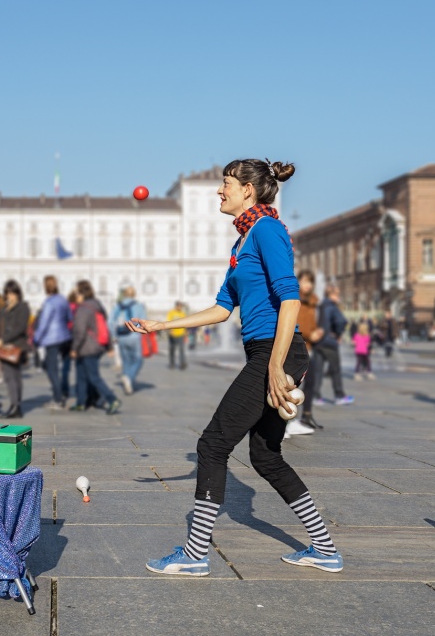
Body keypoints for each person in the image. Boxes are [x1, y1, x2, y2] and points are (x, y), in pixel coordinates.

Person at [128, 158, 342, 576]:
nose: (219, 191)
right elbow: (222, 309)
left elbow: (290, 299)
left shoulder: (268, 230)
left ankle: (194, 555)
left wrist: (276, 366)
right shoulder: (241, 244)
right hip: (267, 354)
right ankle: (325, 548)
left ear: (249, 189)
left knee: (211, 445)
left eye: (226, 183)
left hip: (275, 353)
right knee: (265, 458)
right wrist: (162, 323)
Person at [70, 280, 121, 415]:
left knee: (93, 377)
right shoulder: (97, 305)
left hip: (87, 347)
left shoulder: (83, 308)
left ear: (82, 293)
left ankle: (112, 399)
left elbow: (79, 331)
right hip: (96, 345)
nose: (75, 295)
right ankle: (81, 402)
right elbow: (105, 326)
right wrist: (109, 345)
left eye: (77, 293)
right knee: (81, 374)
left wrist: (74, 348)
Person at [33, 276, 72, 409]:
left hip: (51, 339)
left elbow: (43, 323)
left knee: (51, 369)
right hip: (65, 337)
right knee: (59, 368)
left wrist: (36, 338)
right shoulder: (63, 300)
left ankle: (58, 399)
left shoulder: (49, 302)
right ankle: (63, 392)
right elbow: (69, 317)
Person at [0, 280, 30, 419]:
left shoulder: (23, 307)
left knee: (13, 376)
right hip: (5, 347)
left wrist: (4, 340)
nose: (10, 296)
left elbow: (20, 328)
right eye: (8, 293)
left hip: (16, 347)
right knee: (11, 376)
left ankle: (15, 406)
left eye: (13, 293)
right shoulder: (4, 308)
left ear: (18, 293)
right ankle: (15, 405)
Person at [313, 284, 353, 406]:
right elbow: (341, 321)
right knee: (335, 370)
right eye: (337, 294)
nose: (338, 297)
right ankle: (339, 395)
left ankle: (315, 396)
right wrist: (339, 334)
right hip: (329, 342)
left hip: (318, 341)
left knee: (318, 370)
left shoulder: (320, 305)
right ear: (332, 294)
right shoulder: (332, 306)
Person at [294, 269, 323, 431]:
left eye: (310, 282)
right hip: (297, 348)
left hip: (310, 348)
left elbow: (313, 322)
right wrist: (311, 334)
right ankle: (287, 420)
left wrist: (318, 331)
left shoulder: (313, 301)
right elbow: (296, 323)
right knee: (294, 385)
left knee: (311, 382)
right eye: (304, 281)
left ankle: (307, 415)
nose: (307, 285)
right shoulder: (295, 300)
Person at [111, 286, 146, 395]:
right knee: (138, 360)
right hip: (134, 336)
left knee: (126, 361)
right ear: (134, 294)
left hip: (121, 336)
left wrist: (114, 335)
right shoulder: (139, 306)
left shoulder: (118, 306)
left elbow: (110, 321)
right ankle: (128, 378)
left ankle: (128, 386)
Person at [166, 301, 188, 370]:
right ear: (176, 306)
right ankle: (172, 363)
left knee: (181, 349)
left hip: (180, 334)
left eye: (181, 306)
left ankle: (182, 364)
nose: (180, 308)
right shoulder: (171, 312)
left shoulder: (182, 313)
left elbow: (185, 323)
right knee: (172, 349)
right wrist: (170, 330)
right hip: (173, 334)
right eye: (180, 306)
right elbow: (168, 321)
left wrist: (185, 332)